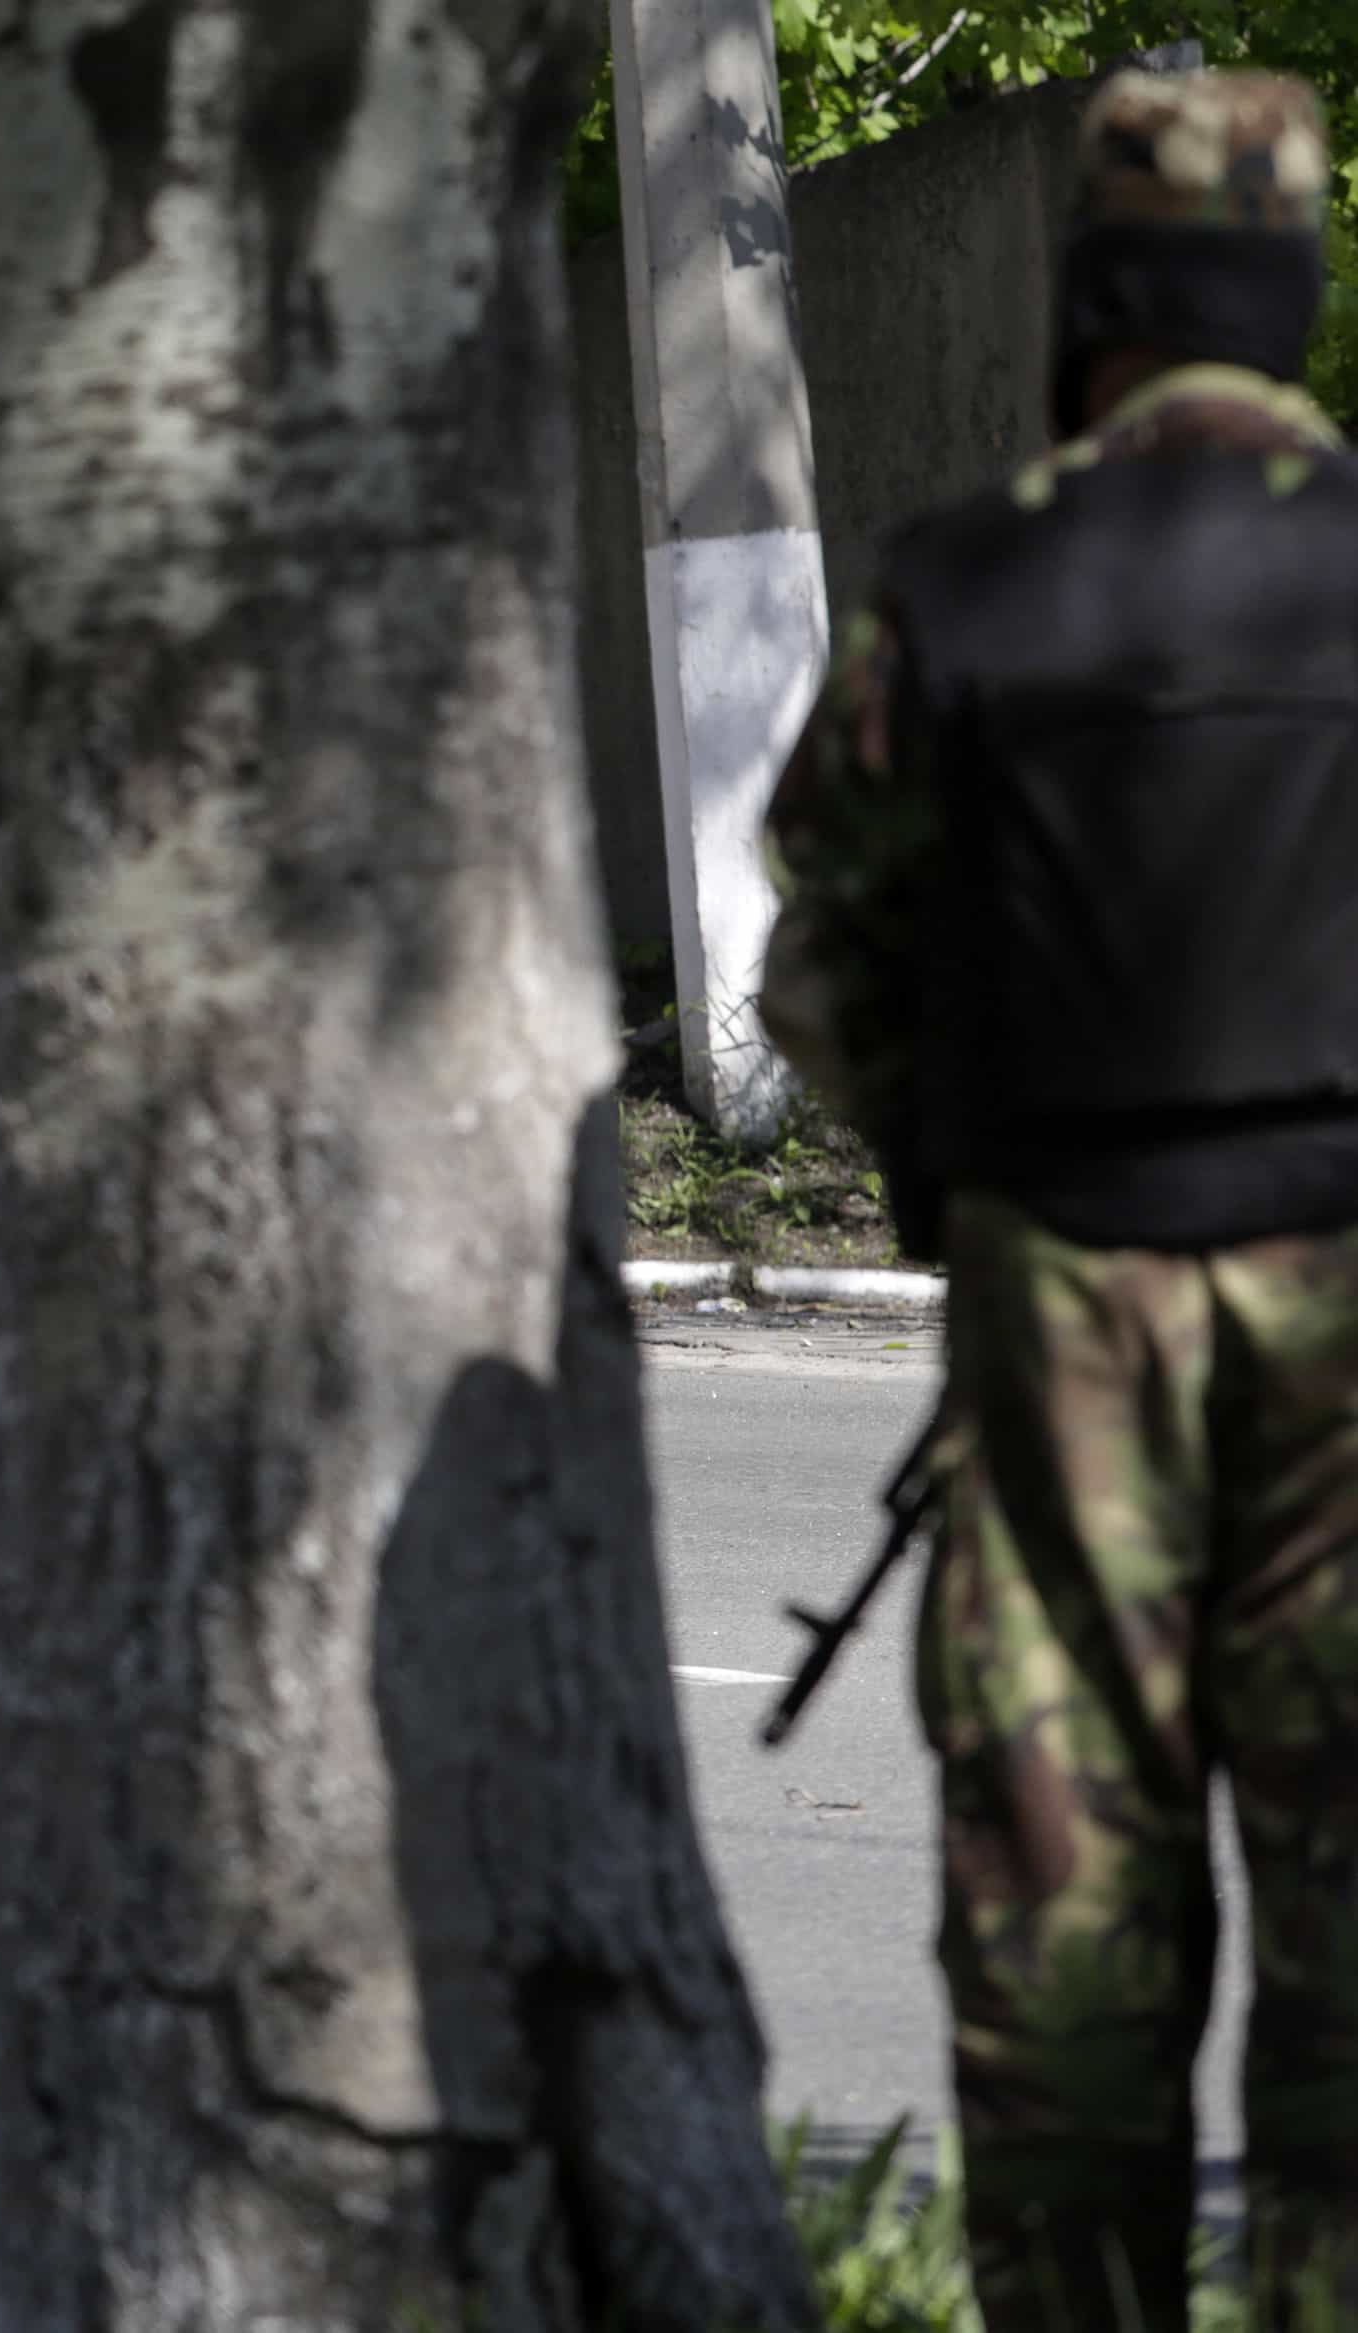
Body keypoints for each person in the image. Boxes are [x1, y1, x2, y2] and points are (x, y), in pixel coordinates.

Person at [762, 72, 1358, 2330]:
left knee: (1067, 1929)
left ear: (1093, 298)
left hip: (1066, 1311)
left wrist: (956, 1162)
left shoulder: (977, 577)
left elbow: (822, 960)